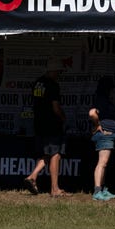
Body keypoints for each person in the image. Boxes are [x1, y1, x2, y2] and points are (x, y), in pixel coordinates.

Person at [24, 58, 69, 197]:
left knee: (48, 154)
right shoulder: (53, 85)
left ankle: (32, 176)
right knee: (55, 154)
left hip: (39, 124)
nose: (59, 74)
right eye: (59, 71)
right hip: (52, 124)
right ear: (53, 70)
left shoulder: (37, 83)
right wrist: (63, 118)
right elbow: (55, 107)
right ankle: (54, 189)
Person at [89, 76, 115, 201]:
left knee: (104, 164)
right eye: (112, 89)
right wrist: (98, 125)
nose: (114, 91)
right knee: (102, 163)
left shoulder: (106, 100)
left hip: (110, 135)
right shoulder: (101, 100)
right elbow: (92, 113)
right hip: (104, 136)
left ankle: (102, 189)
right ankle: (97, 192)